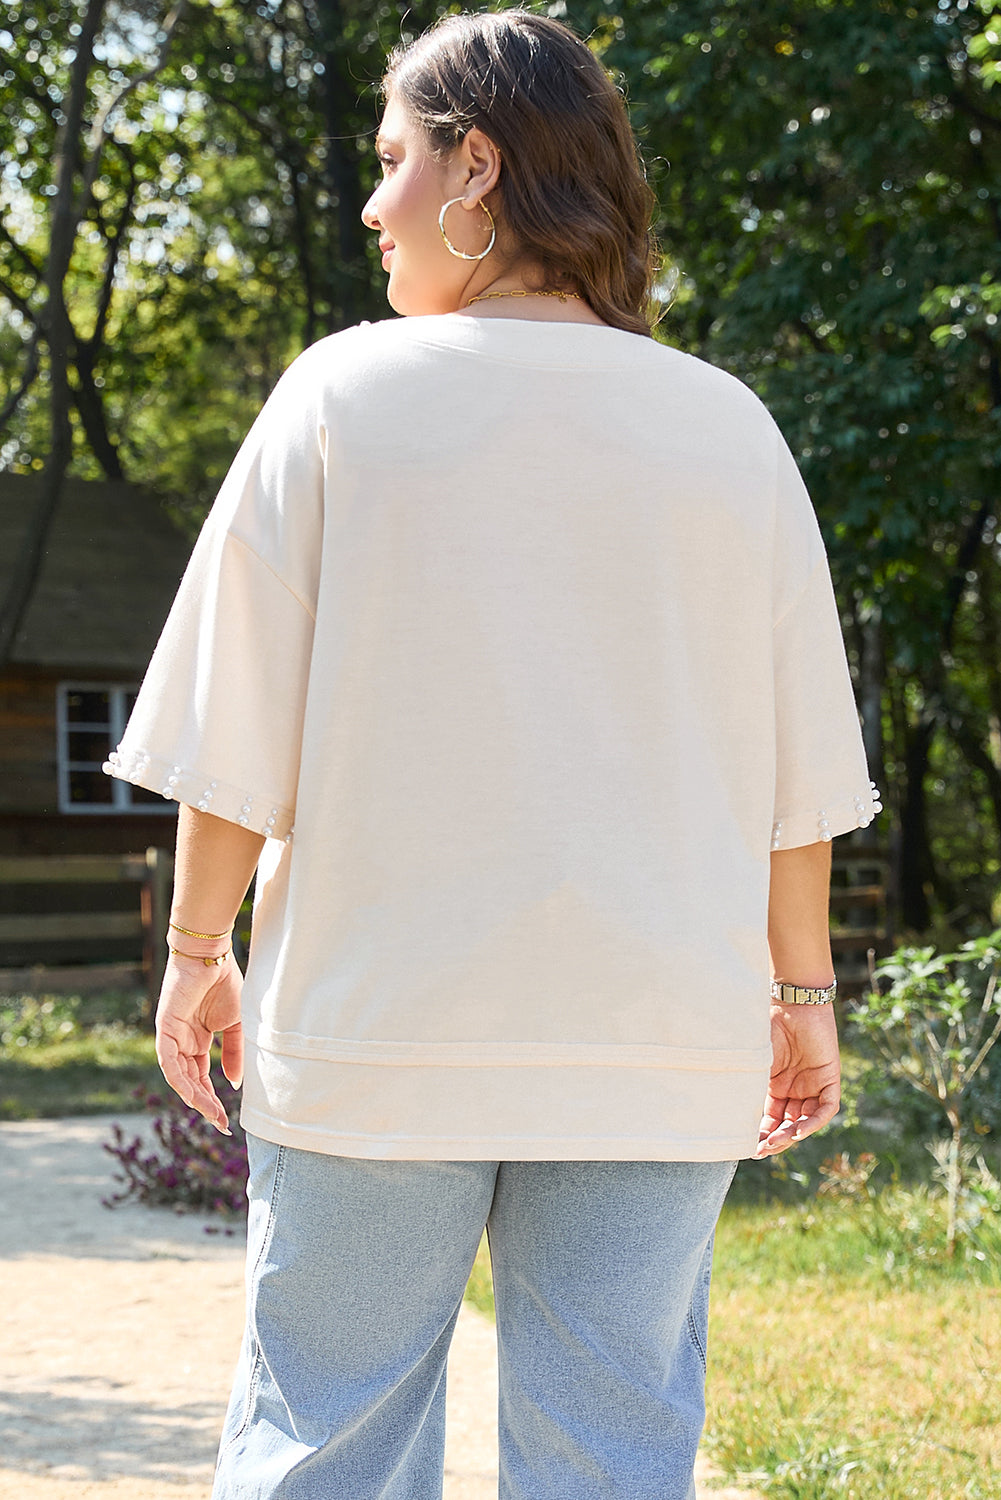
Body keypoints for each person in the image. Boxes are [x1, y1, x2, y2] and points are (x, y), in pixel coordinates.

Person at [105, 9, 881, 1498]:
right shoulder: (729, 428)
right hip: (656, 1039)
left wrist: (199, 950)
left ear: (478, 167)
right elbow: (796, 775)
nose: (369, 204)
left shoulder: (338, 397)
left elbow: (235, 725)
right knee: (610, 1457)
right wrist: (800, 997)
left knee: (325, 1444)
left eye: (392, 159)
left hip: (376, 1032)